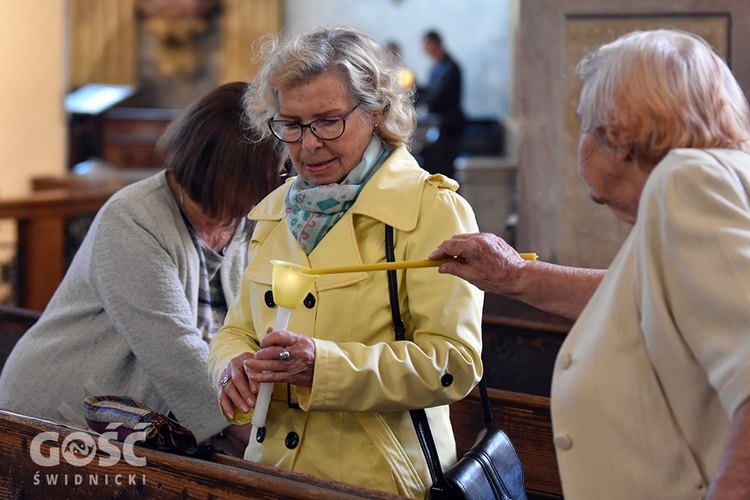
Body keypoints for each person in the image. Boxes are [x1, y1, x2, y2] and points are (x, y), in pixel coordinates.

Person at [431, 29, 750, 498]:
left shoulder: (685, 183)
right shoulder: (719, 177)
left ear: (620, 132)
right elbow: (644, 299)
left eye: (584, 124)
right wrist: (515, 276)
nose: (580, 141)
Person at [208, 26, 483, 497]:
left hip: (378, 478)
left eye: (328, 121)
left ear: (376, 112)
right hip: (272, 469)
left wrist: (326, 368)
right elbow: (237, 329)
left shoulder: (430, 209)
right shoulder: (275, 211)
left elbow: (453, 362)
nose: (308, 144)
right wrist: (230, 367)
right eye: (291, 124)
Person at [0, 82, 282, 455]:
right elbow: (175, 350)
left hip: (141, 427)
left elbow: (245, 328)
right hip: (55, 419)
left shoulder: (244, 221)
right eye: (272, 176)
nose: (280, 186)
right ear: (230, 174)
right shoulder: (133, 218)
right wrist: (266, 437)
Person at [417, 30, 465, 178]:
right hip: (440, 124)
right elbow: (430, 91)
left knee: (444, 167)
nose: (424, 49)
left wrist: (420, 96)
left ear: (435, 44)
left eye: (426, 45)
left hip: (448, 126)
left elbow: (438, 97)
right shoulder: (436, 67)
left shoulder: (450, 68)